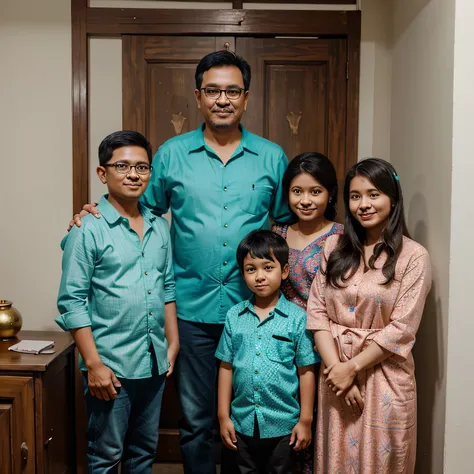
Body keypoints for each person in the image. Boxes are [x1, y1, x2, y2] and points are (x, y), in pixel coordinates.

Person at [67, 51, 292, 473]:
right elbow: (137, 213)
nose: (222, 99)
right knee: (196, 422)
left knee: (253, 416)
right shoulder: (170, 155)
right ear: (198, 96)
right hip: (190, 310)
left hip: (256, 310)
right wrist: (89, 211)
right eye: (212, 90)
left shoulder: (272, 157)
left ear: (246, 98)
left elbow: (284, 226)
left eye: (232, 91)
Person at [56, 131, 179, 474]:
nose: (133, 174)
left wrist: (173, 342)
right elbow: (72, 302)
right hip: (110, 367)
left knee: (143, 452)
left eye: (142, 167)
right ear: (102, 173)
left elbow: (167, 286)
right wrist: (93, 364)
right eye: (122, 166)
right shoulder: (88, 229)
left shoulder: (158, 226)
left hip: (154, 361)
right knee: (106, 455)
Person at [307, 158, 432, 473]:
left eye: (373, 194)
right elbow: (318, 311)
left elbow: (401, 329)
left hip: (385, 379)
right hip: (334, 379)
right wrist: (339, 371)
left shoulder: (413, 257)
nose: (363, 204)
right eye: (355, 196)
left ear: (392, 198)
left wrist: (352, 368)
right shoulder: (333, 247)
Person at [216, 230, 318, 473]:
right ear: (242, 273)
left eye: (267, 268)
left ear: (283, 271)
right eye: (251, 269)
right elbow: (226, 367)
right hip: (241, 424)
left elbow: (306, 371)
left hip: (284, 426)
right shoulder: (234, 316)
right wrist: (223, 416)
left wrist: (305, 420)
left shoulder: (297, 319)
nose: (259, 276)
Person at [272, 152, 343, 473]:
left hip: (327, 347)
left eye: (315, 191)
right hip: (281, 347)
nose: (305, 200)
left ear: (330, 194)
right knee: (285, 432)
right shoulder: (278, 234)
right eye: (297, 191)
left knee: (320, 431)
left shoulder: (343, 237)